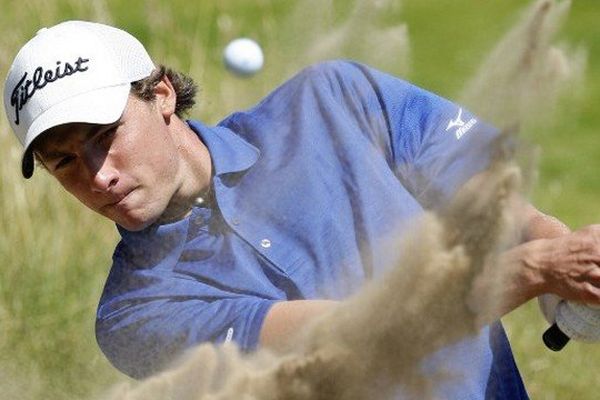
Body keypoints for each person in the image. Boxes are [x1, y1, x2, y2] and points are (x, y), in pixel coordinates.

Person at [4, 20, 600, 399]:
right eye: (64, 164)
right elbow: (353, 336)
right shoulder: (134, 314)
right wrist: (535, 271)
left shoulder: (335, 99)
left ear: (160, 95)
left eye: (104, 136)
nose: (98, 175)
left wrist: (565, 258)